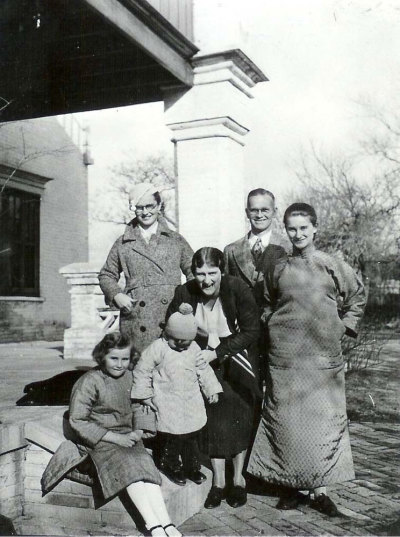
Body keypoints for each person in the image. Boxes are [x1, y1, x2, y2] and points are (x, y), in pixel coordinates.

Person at [247, 203, 366, 516]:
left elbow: (356, 297)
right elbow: (268, 303)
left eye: (303, 228)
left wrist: (343, 326)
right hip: (284, 359)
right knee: (286, 423)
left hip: (322, 359)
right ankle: (291, 487)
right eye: (292, 228)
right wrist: (271, 323)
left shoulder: (331, 264)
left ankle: (319, 490)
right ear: (285, 230)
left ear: (315, 228)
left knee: (322, 424)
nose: (297, 234)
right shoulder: (278, 267)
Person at [41, 332, 182, 537]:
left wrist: (138, 431)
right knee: (129, 469)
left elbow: (139, 406)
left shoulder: (131, 377)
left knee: (147, 470)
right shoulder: (89, 381)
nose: (119, 364)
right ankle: (153, 526)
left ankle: (167, 524)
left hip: (128, 436)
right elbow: (78, 420)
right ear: (102, 357)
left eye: (125, 359)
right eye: (114, 358)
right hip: (99, 440)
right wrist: (116, 438)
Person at [167, 247, 261, 510]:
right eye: (200, 273)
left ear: (222, 271)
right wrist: (202, 345)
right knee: (215, 416)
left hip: (237, 354)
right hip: (202, 358)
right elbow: (172, 327)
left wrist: (218, 351)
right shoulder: (185, 292)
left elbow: (252, 331)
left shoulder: (237, 289)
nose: (206, 280)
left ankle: (238, 479)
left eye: (212, 273)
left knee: (239, 411)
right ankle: (219, 482)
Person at [131, 303, 222, 487]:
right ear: (167, 334)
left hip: (190, 402)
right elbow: (142, 371)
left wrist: (212, 389)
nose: (181, 346)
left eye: (185, 342)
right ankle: (170, 465)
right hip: (167, 403)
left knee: (191, 439)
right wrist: (145, 395)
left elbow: (203, 370)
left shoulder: (195, 349)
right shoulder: (158, 348)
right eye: (176, 341)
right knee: (171, 440)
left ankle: (191, 466)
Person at [98, 182, 194, 351]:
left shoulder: (176, 240)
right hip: (136, 317)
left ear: (159, 206)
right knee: (139, 370)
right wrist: (117, 295)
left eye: (150, 206)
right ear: (133, 209)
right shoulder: (123, 243)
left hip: (171, 314)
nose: (145, 212)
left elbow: (193, 272)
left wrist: (186, 302)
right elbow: (106, 275)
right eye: (139, 207)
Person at [223, 188, 289, 308]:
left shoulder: (288, 248)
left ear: (274, 212)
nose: (259, 215)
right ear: (247, 212)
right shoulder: (231, 251)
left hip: (278, 322)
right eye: (254, 210)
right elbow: (227, 292)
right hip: (244, 323)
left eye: (265, 210)